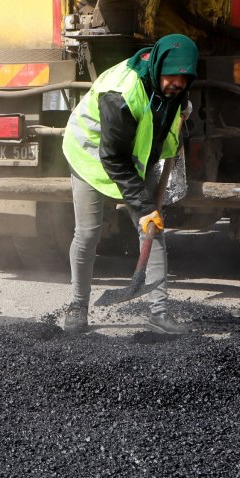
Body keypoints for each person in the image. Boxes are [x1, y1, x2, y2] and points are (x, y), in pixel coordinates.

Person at [60, 33, 198, 335]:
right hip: (92, 153)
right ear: (158, 66)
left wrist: (183, 110)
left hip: (134, 154)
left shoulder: (177, 87)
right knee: (88, 232)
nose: (178, 83)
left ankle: (159, 313)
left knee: (153, 228)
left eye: (185, 78)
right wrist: (143, 205)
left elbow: (166, 118)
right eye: (172, 76)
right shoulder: (120, 94)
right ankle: (77, 308)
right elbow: (113, 159)